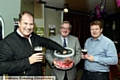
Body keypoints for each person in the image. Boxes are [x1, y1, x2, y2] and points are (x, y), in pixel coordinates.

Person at [0, 11, 67, 76]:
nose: (28, 27)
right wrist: (28, 61)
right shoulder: (7, 42)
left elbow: (48, 42)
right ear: (19, 23)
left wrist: (62, 50)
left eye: (31, 24)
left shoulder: (34, 36)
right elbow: (2, 67)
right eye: (25, 23)